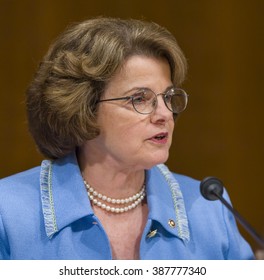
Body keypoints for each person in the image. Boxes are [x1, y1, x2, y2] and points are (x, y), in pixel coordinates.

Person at [0, 17, 254, 260]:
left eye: (168, 97)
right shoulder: (8, 213)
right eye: (139, 98)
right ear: (84, 109)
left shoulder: (208, 207)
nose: (165, 114)